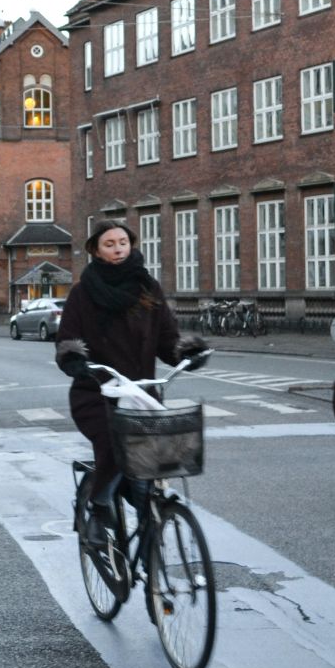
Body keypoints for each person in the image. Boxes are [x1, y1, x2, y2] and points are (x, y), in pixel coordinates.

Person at [54, 219, 207, 546]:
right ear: (96, 249)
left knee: (151, 467)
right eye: (109, 243)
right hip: (97, 394)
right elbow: (68, 339)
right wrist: (74, 360)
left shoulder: (147, 288)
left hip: (141, 394)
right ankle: (98, 508)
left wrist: (186, 352)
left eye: (123, 241)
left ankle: (150, 537)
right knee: (115, 441)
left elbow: (167, 339)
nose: (118, 248)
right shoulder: (83, 293)